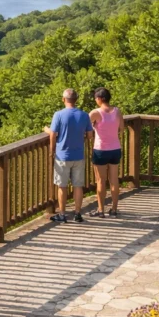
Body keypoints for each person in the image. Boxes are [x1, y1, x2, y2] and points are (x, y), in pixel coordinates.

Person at [44, 88, 93, 223]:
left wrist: (52, 151)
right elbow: (89, 135)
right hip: (78, 155)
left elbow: (53, 134)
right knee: (78, 186)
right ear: (76, 100)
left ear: (63, 99)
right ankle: (78, 214)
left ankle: (63, 214)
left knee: (62, 186)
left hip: (62, 156)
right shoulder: (84, 115)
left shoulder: (58, 115)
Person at [90, 87, 124, 217]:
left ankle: (100, 210)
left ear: (100, 99)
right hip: (115, 149)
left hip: (101, 150)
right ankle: (114, 209)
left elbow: (86, 129)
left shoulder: (95, 113)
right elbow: (121, 128)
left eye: (96, 98)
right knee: (114, 180)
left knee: (100, 180)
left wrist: (94, 127)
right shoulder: (117, 111)